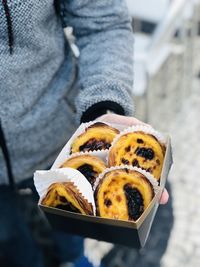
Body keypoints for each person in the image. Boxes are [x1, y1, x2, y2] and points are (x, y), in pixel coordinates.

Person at [0, 0, 169, 266]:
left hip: (64, 143)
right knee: (13, 247)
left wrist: (103, 106)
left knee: (70, 231)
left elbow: (103, 21)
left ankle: (75, 259)